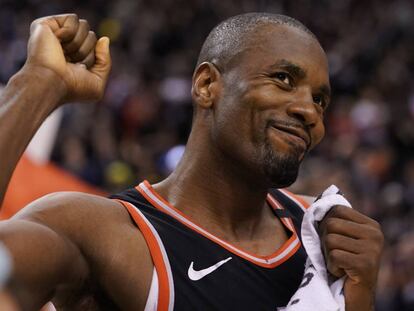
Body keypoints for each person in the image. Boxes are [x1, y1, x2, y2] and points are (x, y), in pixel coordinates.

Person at [0, 12, 383, 310]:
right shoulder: (106, 235)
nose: (309, 111)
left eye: (320, 100)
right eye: (283, 79)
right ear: (206, 85)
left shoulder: (325, 239)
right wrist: (37, 83)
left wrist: (359, 297)